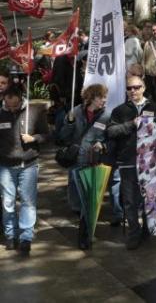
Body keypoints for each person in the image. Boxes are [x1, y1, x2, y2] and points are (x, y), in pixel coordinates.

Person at [106, 76, 156, 250]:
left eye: (137, 87)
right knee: (130, 201)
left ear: (143, 88)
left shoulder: (155, 108)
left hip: (150, 161)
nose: (133, 91)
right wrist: (131, 124)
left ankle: (147, 229)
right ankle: (134, 233)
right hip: (128, 160)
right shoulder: (119, 110)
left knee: (149, 198)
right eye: (129, 88)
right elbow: (111, 131)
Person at [57, 84, 110, 250]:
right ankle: (83, 218)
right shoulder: (76, 112)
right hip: (75, 161)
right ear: (92, 97)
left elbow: (110, 138)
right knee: (75, 200)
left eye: (105, 97)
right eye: (101, 97)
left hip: (93, 162)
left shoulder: (107, 116)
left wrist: (103, 145)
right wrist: (70, 123)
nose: (104, 100)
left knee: (88, 200)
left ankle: (84, 235)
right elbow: (62, 136)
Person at [0, 87, 48, 255]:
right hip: (6, 165)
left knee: (28, 201)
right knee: (7, 202)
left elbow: (47, 135)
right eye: (8, 105)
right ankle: (10, 234)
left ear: (21, 99)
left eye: (15, 105)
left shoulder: (34, 111)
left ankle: (26, 237)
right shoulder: (1, 112)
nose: (11, 108)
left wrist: (34, 138)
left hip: (28, 164)